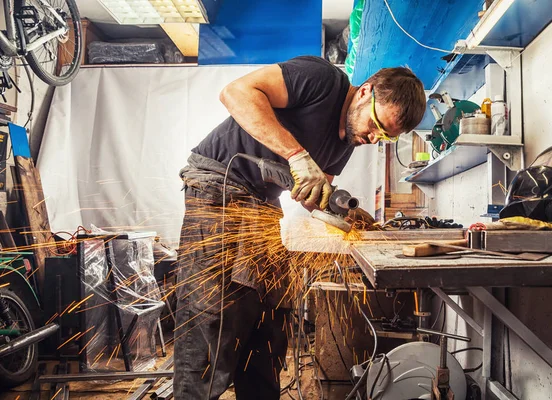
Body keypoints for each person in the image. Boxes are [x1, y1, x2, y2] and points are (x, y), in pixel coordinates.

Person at [174, 55, 426, 399]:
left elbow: (311, 195)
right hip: (217, 186)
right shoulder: (321, 79)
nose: (374, 138)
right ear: (365, 92)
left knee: (269, 319)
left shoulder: (344, 144)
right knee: (211, 317)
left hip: (261, 203)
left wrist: (347, 215)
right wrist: (296, 154)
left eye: (386, 137)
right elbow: (235, 92)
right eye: (377, 126)